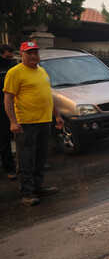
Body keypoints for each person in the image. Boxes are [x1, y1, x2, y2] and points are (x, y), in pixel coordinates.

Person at [4, 41, 64, 206]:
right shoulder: (15, 72)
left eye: (35, 52)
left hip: (45, 121)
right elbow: (8, 98)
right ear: (21, 54)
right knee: (25, 159)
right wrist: (13, 122)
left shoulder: (42, 71)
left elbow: (48, 95)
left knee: (40, 158)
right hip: (26, 123)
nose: (32, 56)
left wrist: (57, 116)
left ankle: (38, 187)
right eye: (28, 53)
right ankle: (26, 193)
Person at [0, 45, 17, 180]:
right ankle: (9, 168)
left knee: (23, 138)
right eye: (7, 57)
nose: (10, 60)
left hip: (17, 106)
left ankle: (29, 164)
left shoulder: (14, 65)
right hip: (1, 109)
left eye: (11, 57)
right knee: (4, 139)